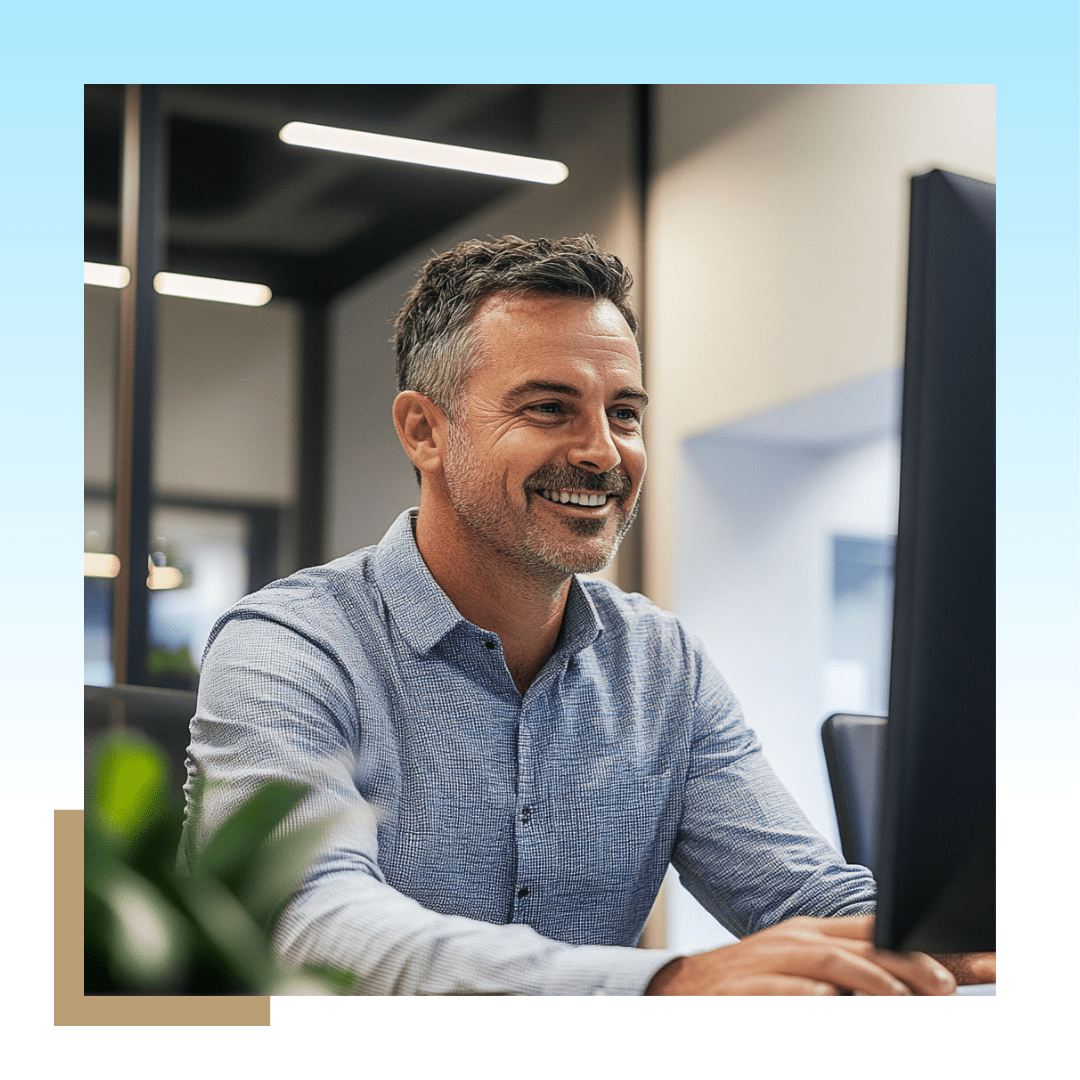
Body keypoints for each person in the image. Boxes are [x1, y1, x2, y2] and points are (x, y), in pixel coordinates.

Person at [181, 234, 992, 995]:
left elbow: (797, 892)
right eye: (548, 408)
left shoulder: (661, 661)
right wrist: (663, 984)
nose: (604, 452)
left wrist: (969, 935)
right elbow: (308, 920)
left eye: (626, 412)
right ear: (424, 431)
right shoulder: (289, 646)